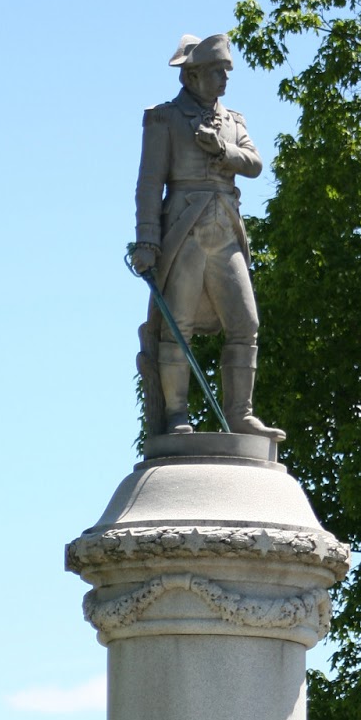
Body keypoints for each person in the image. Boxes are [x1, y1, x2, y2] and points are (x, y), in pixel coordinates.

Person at [131, 33, 282, 439]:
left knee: (245, 322)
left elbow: (253, 163)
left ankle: (239, 415)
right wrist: (147, 240)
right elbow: (149, 184)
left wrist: (222, 151)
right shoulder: (164, 118)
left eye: (226, 71)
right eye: (217, 71)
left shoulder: (234, 121)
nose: (224, 79)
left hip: (225, 228)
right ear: (192, 76)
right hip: (183, 228)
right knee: (175, 325)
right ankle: (176, 414)